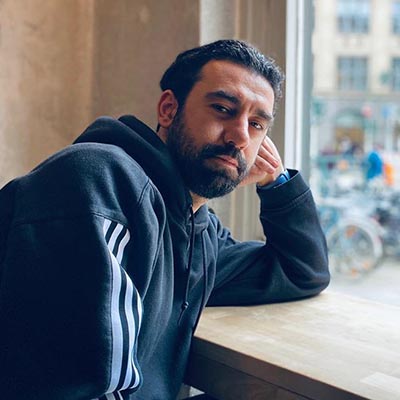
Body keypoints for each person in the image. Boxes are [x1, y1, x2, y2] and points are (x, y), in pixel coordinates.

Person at [0, 39, 329, 400]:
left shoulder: (197, 231)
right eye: (223, 109)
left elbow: (300, 271)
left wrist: (277, 182)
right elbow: (90, 386)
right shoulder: (97, 181)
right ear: (169, 109)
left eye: (256, 124)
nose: (239, 136)